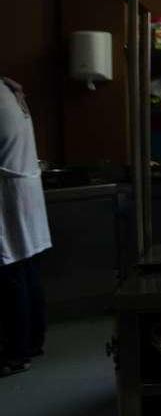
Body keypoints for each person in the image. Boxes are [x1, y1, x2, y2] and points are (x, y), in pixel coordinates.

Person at [0, 77, 51, 377]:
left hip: (8, 196)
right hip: (23, 189)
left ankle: (16, 353)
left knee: (11, 275)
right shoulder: (9, 90)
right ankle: (33, 342)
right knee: (28, 270)